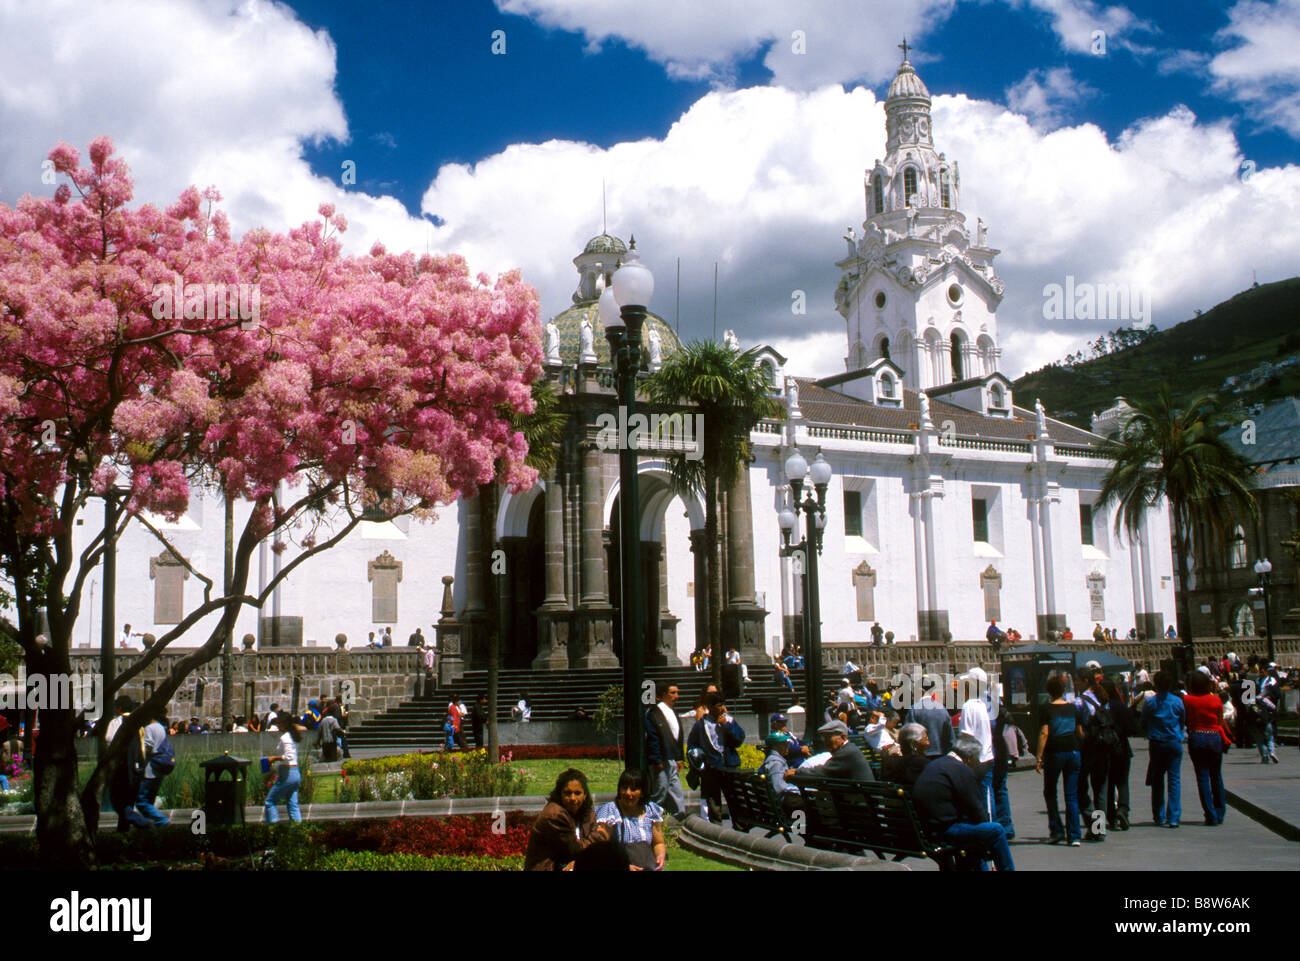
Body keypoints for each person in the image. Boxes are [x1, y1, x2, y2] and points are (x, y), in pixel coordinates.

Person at [912, 734, 1014, 871]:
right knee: (996, 830)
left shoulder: (936, 764)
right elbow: (977, 809)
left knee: (974, 837)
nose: (977, 764)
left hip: (927, 828)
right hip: (944, 830)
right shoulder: (960, 769)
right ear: (970, 758)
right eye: (977, 760)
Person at [524, 768, 612, 870]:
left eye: (577, 793)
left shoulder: (587, 813)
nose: (573, 798)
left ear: (585, 795)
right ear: (560, 794)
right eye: (567, 793)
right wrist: (600, 835)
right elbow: (575, 849)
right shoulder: (555, 815)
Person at [1036, 673, 1084, 845]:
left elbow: (1044, 733)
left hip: (1055, 752)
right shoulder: (1073, 708)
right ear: (1064, 690)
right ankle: (1075, 835)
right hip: (1073, 751)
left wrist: (1039, 757)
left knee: (1050, 791)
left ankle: (1056, 830)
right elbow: (1079, 732)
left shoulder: (1046, 709)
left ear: (1049, 691)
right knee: (1071, 795)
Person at [687, 693, 745, 823]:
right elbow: (692, 744)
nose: (723, 708)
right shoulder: (701, 724)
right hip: (712, 768)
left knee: (734, 799)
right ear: (710, 707)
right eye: (719, 706)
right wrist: (698, 759)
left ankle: (740, 828)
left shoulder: (729, 720)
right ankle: (716, 829)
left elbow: (739, 739)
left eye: (724, 705)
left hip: (729, 766)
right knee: (713, 803)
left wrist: (727, 726)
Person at [1183, 669, 1230, 826]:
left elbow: (1185, 719)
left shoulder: (1187, 700)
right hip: (1214, 737)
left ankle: (1210, 814)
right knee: (1216, 776)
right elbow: (1219, 719)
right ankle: (1220, 812)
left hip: (1196, 737)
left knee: (1202, 777)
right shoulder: (1216, 700)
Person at [596, 769, 667, 871]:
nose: (628, 793)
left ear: (642, 792)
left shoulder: (651, 811)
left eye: (633, 789)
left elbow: (658, 843)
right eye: (624, 788)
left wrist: (660, 856)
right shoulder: (610, 811)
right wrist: (624, 866)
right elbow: (602, 847)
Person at [1141, 670, 1186, 828]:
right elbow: (1182, 721)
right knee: (1174, 779)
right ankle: (1173, 817)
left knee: (1157, 779)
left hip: (1157, 743)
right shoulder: (1177, 701)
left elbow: (1143, 720)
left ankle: (1159, 815)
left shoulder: (1151, 702)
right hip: (1173, 742)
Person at [1100, 678, 1138, 831]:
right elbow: (1133, 728)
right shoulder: (1121, 707)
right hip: (1122, 748)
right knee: (1122, 782)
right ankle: (1123, 809)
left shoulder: (1101, 707)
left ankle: (1110, 817)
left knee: (1106, 785)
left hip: (1104, 750)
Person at [645, 681, 685, 815]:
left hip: (671, 758)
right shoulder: (654, 713)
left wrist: (679, 757)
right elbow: (653, 737)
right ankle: (652, 819)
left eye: (677, 692)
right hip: (661, 760)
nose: (676, 696)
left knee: (676, 790)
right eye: (672, 693)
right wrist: (656, 760)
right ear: (663, 695)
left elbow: (678, 736)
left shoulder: (672, 712)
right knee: (660, 791)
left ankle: (680, 816)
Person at [790, 719, 874, 781]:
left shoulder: (847, 752)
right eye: (824, 738)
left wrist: (797, 772)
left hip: (863, 802)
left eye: (828, 738)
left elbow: (823, 772)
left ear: (843, 737)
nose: (825, 742)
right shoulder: (847, 749)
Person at [135, 709, 175, 827]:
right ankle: (150, 826)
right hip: (160, 768)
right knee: (149, 801)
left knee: (141, 801)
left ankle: (162, 821)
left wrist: (138, 759)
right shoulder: (160, 727)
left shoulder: (149, 728)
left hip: (150, 769)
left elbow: (147, 748)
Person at [264, 713, 306, 823]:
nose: (277, 726)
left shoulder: (285, 737)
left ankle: (274, 828)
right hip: (295, 773)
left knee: (270, 801)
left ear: (283, 724)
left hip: (287, 774)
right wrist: (273, 771)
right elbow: (290, 759)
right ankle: (297, 835)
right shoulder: (293, 736)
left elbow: (288, 757)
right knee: (293, 805)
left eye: (279, 723)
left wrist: (274, 758)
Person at [905, 675, 953, 758]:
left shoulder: (914, 709)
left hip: (921, 756)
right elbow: (950, 737)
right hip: (941, 755)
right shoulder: (942, 709)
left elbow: (908, 735)